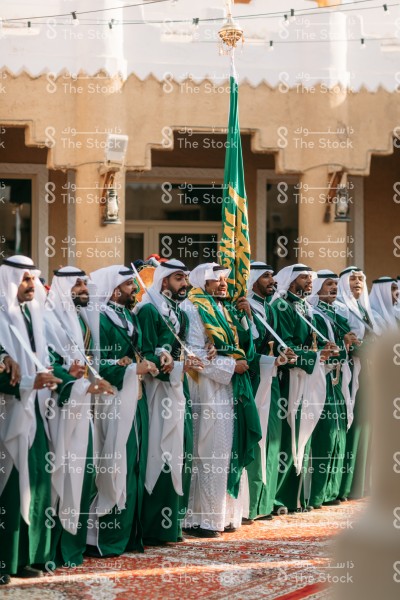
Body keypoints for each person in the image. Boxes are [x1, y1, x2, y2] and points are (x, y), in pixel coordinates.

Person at [181, 263, 261, 537]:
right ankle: (200, 519)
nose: (224, 284)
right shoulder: (193, 308)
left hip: (226, 390)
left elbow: (243, 347)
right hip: (205, 389)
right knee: (207, 451)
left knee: (224, 451)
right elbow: (190, 353)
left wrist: (245, 318)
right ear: (202, 281)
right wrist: (229, 367)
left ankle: (223, 516)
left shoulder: (222, 309)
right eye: (217, 280)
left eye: (225, 279)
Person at [44, 267, 113, 567]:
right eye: (79, 284)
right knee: (59, 476)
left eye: (86, 284)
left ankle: (72, 545)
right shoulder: (49, 320)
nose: (85, 289)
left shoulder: (80, 318)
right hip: (56, 408)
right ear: (64, 287)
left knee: (82, 473)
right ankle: (50, 550)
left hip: (81, 403)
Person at [87, 265, 157, 556]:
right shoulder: (97, 319)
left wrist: (153, 361)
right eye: (130, 284)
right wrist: (131, 369)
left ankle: (128, 534)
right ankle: (102, 538)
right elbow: (94, 366)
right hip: (110, 400)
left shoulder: (129, 315)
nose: (135, 289)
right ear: (116, 290)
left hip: (133, 397)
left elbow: (136, 353)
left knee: (134, 462)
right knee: (115, 461)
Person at [0, 256, 61, 585]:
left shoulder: (31, 315)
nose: (30, 286)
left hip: (33, 411)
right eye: (24, 280)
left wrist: (59, 376)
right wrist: (26, 382)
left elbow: (42, 362)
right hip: (6, 413)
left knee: (35, 484)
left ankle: (26, 557)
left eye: (33, 280)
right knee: (8, 488)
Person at [135, 259, 195, 545]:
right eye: (178, 279)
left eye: (185, 279)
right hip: (155, 392)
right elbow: (143, 351)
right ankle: (152, 528)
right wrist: (162, 362)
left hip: (176, 390)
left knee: (176, 451)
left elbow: (179, 349)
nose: (184, 284)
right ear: (164, 282)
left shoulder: (179, 314)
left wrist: (186, 360)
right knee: (158, 450)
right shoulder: (148, 308)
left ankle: (170, 526)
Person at [272, 264, 334, 513]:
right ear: (290, 280)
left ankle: (296, 498)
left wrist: (321, 353)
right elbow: (284, 346)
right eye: (304, 278)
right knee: (288, 437)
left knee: (303, 435)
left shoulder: (303, 306)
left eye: (311, 278)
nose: (310, 282)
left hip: (306, 377)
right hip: (289, 380)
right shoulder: (282, 306)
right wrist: (315, 356)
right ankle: (279, 498)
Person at [245, 262, 296, 521]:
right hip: (254, 379)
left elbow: (274, 343)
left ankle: (265, 504)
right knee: (257, 439)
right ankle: (250, 504)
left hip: (272, 379)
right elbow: (248, 346)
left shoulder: (269, 308)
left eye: (273, 276)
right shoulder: (245, 307)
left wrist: (283, 353)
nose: (272, 281)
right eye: (266, 276)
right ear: (253, 279)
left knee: (272, 439)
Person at [306, 270, 359, 509]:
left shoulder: (336, 313)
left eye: (336, 284)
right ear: (317, 287)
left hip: (338, 378)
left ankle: (332, 490)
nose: (334, 288)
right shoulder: (313, 313)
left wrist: (347, 343)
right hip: (323, 377)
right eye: (329, 284)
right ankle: (317, 493)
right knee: (325, 434)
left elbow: (343, 344)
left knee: (338, 433)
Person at [335, 266, 381, 500]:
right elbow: (349, 342)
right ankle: (347, 487)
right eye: (352, 279)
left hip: (367, 372)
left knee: (366, 427)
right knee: (353, 426)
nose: (357, 283)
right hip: (350, 371)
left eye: (361, 279)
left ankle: (361, 484)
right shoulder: (341, 307)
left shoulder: (364, 309)